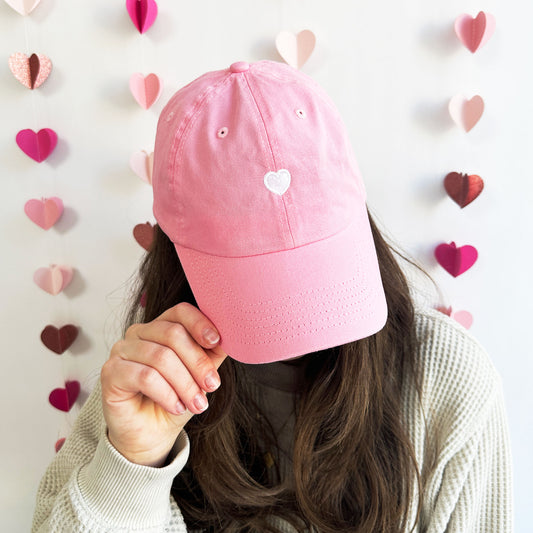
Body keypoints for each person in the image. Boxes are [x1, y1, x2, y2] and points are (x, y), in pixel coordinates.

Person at [31, 60, 512, 533]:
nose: (299, 318)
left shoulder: (447, 383)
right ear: (178, 255)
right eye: (257, 275)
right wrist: (132, 469)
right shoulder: (149, 385)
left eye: (315, 264)